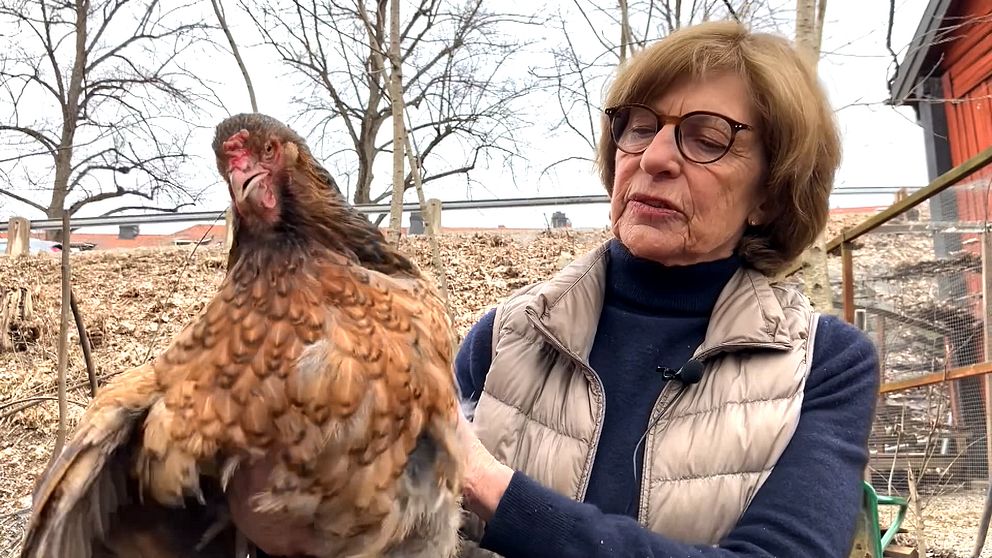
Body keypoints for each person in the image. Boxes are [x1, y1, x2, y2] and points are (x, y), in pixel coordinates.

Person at [453, 20, 879, 558]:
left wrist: (489, 485)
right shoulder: (507, 336)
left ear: (770, 195)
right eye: (637, 126)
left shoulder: (825, 364)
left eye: (707, 139)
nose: (652, 158)